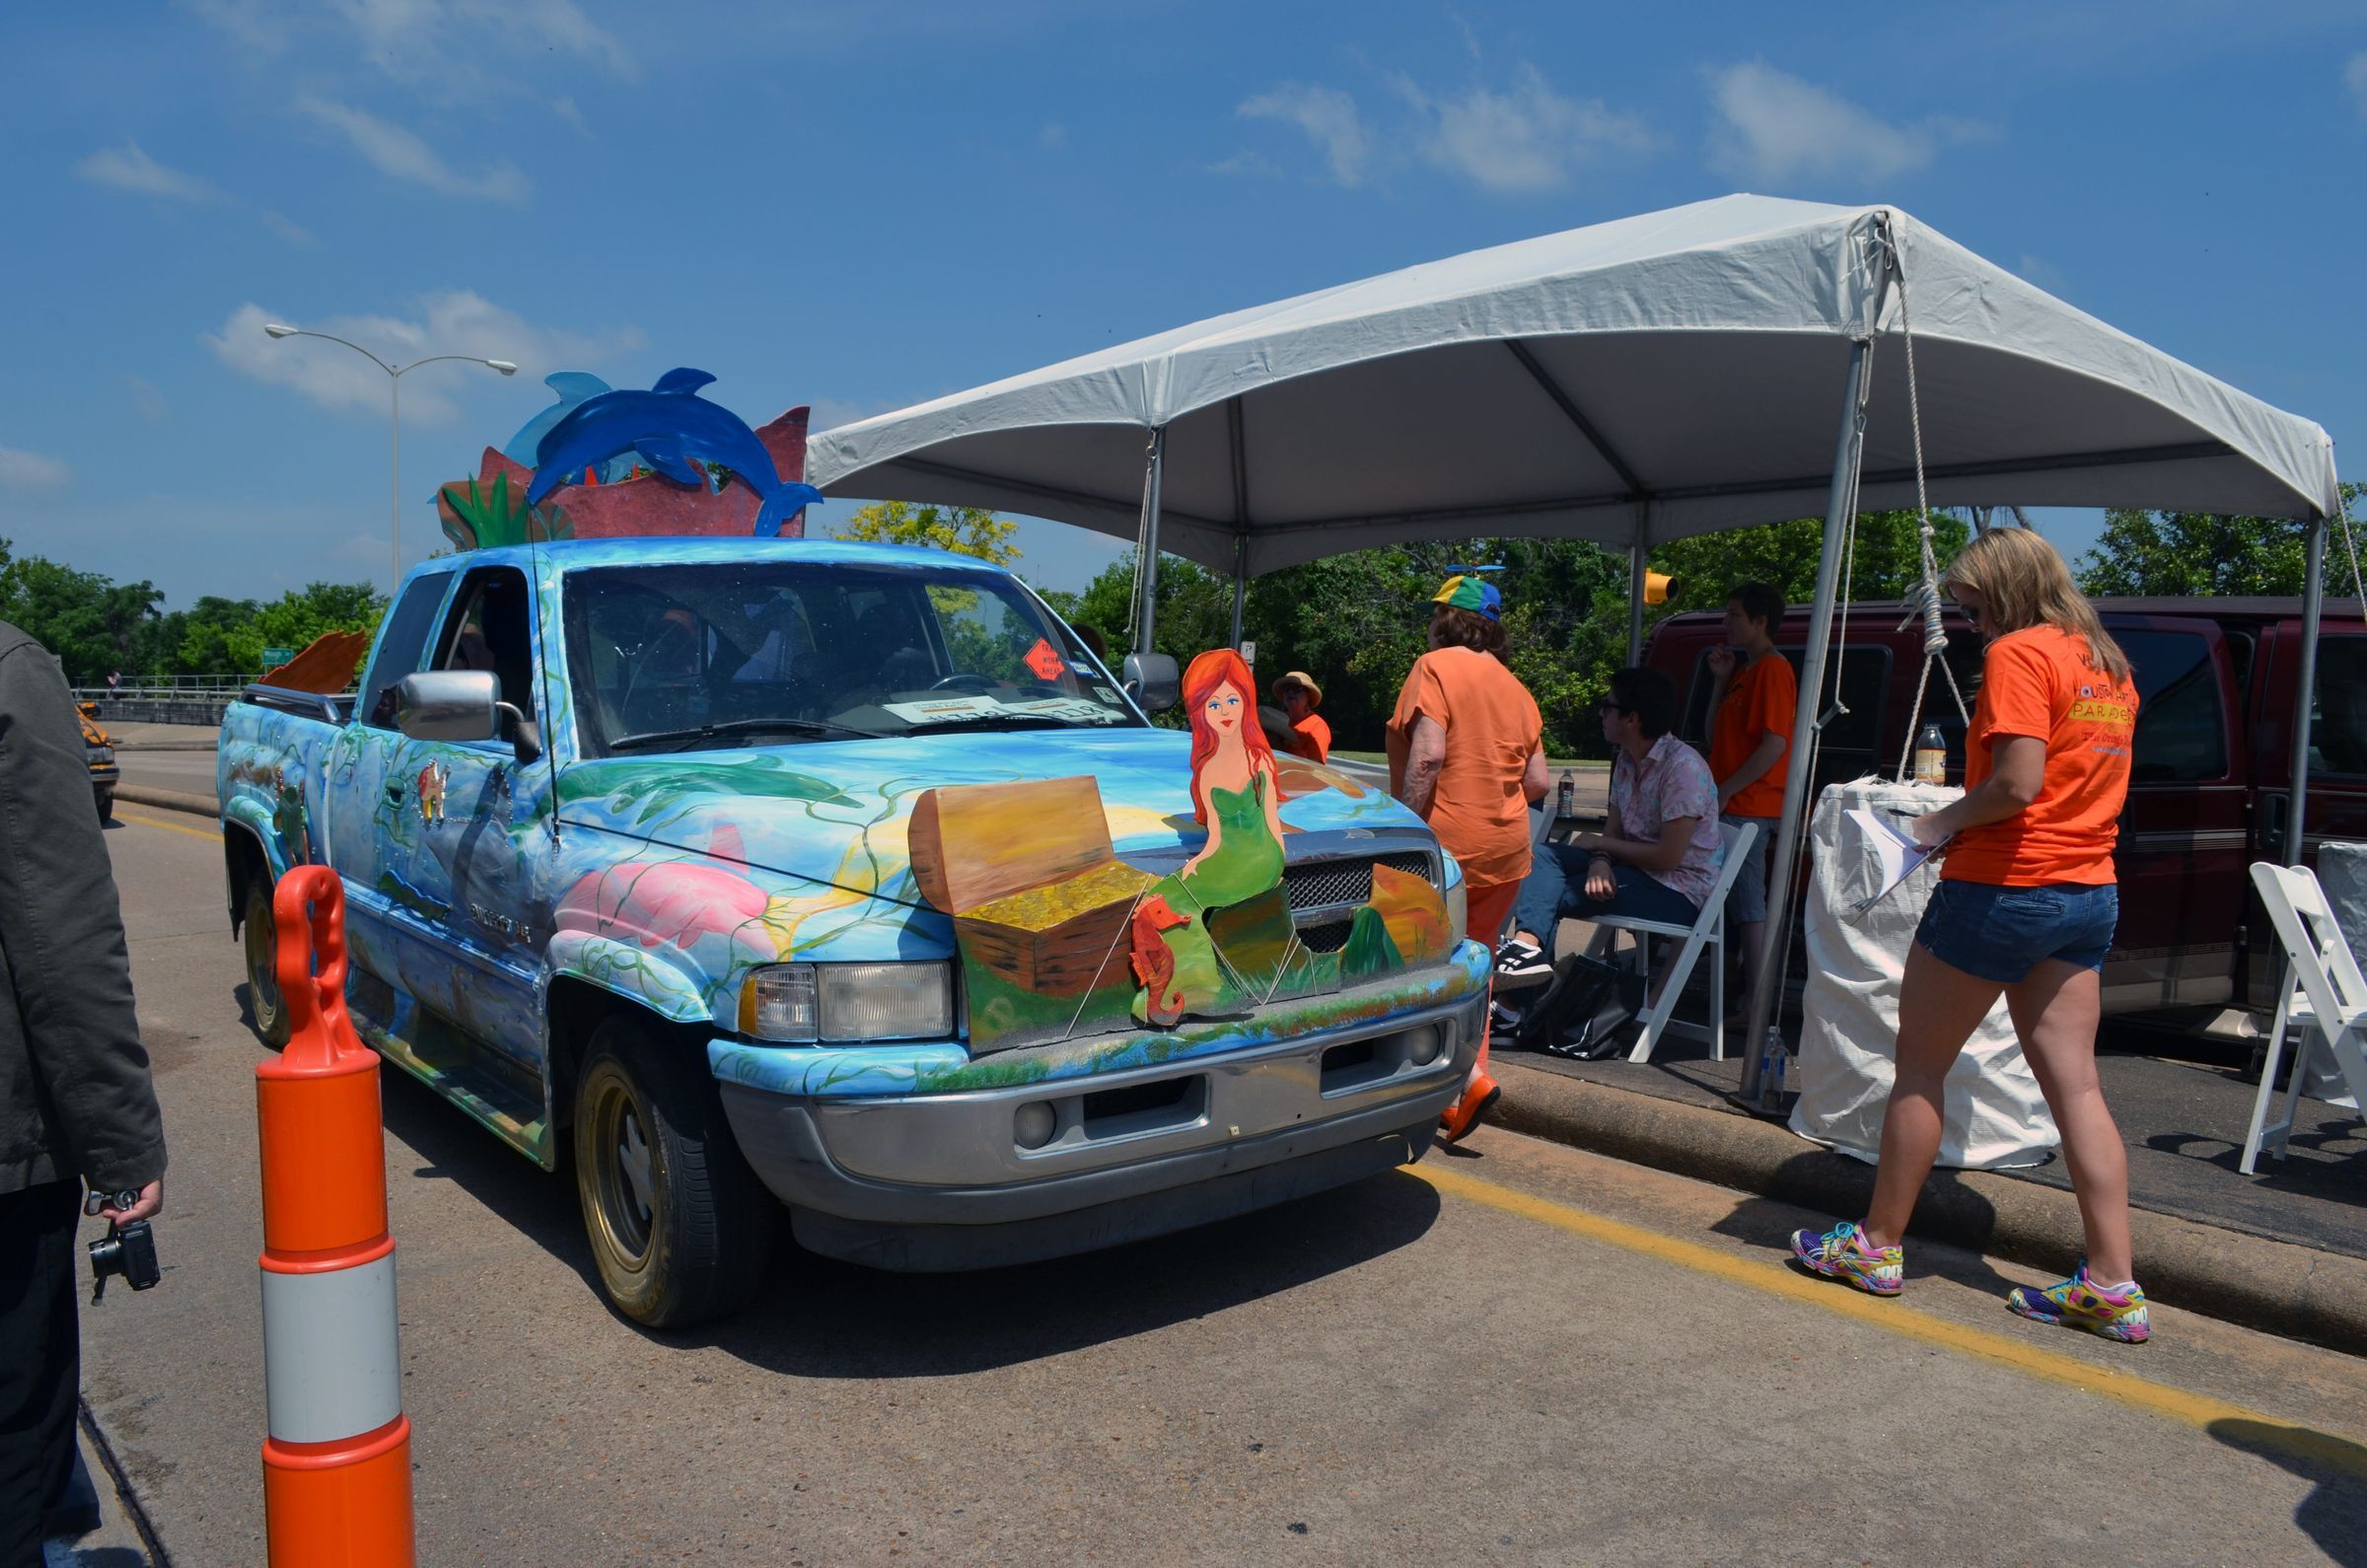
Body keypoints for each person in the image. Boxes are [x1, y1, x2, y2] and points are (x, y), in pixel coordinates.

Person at [1788, 529, 2149, 1343]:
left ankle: (1875, 1247)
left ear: (2007, 591)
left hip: (2001, 889)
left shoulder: (2020, 653)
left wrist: (1933, 826)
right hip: (2087, 889)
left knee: (1919, 1068)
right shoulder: (2107, 663)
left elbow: (2016, 785)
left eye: (1974, 604)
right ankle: (2113, 1283)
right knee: (2078, 1090)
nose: (1970, 620)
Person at [0, 620, 166, 1561]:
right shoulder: (11, 674)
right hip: (7, 1161)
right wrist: (121, 1147)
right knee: (18, 1421)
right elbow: (60, 939)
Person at [1388, 574, 1546, 1143]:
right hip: (1506, 850)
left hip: (1447, 845)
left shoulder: (1434, 668)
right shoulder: (1516, 687)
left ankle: (1458, 1078)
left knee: (1416, 964)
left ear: (1444, 620)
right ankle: (1463, 1090)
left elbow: (1428, 757)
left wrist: (1404, 828)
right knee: (1477, 965)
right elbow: (1538, 782)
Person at [1496, 666, 1720, 991]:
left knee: (1550, 895)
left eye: (1608, 706)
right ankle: (1526, 953)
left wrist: (1600, 847)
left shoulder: (1683, 769)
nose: (1601, 713)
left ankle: (1520, 996)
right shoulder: (1627, 760)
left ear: (1632, 718)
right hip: (1632, 868)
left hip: (1677, 889)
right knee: (1542, 856)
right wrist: (1600, 860)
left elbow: (1668, 857)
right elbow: (1613, 834)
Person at [1704, 583, 1795, 1025]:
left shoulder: (1773, 670)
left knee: (1747, 902)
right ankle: (1738, 997)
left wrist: (1728, 788)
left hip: (1752, 805)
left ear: (1760, 622)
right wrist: (1720, 681)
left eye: (1734, 614)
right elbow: (1713, 735)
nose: (1726, 622)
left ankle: (1757, 1005)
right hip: (1733, 801)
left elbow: (1775, 744)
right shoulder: (1746, 670)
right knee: (1730, 902)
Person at [1272, 671, 1330, 762]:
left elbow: (1315, 765)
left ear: (1308, 696)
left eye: (1296, 689)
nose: (1290, 692)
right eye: (1286, 689)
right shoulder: (1277, 720)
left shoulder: (1317, 726)